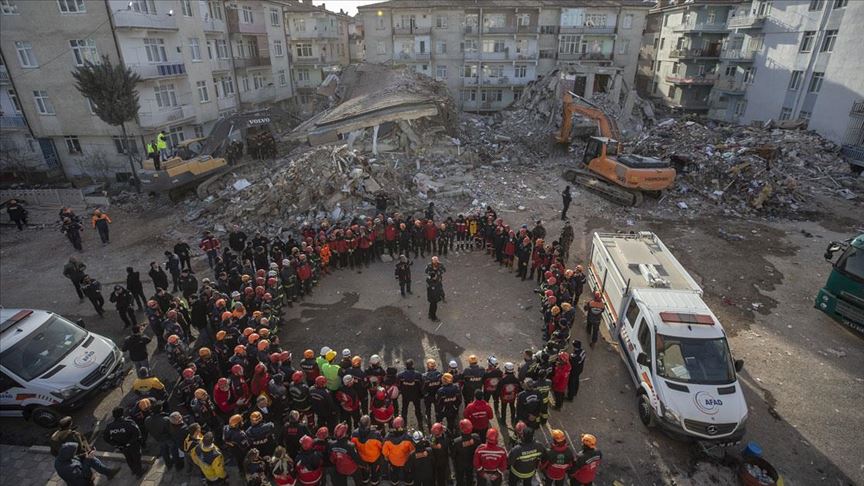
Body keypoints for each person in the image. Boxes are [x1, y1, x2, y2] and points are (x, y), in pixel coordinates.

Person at [103, 407, 144, 477]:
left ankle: (134, 470)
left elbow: (106, 438)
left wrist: (115, 444)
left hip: (122, 447)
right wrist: (130, 442)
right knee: (136, 458)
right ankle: (139, 473)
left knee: (128, 458)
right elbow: (137, 433)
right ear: (122, 413)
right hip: (132, 445)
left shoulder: (110, 426)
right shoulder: (128, 423)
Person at [54, 442, 120, 485]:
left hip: (78, 474)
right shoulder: (70, 468)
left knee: (92, 459)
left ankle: (109, 473)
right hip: (82, 483)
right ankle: (109, 473)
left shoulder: (61, 458)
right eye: (73, 452)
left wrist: (87, 454)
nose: (75, 453)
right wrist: (88, 459)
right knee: (90, 459)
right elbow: (85, 475)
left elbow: (75, 458)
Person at [146, 401, 180, 469]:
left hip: (158, 438)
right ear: (161, 409)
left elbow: (148, 429)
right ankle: (178, 465)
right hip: (168, 438)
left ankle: (168, 465)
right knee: (174, 451)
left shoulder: (147, 419)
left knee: (164, 452)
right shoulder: (165, 419)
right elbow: (171, 430)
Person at [382, 416, 415, 486]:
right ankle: (408, 482)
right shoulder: (408, 438)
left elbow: (385, 453)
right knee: (407, 473)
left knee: (394, 473)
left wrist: (388, 459)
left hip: (393, 462)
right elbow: (412, 451)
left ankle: (395, 482)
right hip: (405, 461)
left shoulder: (387, 438)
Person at [451, 419, 480, 486]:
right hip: (471, 462)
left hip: (460, 464)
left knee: (460, 478)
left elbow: (453, 454)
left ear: (461, 429)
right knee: (470, 476)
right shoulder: (476, 437)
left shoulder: (456, 442)